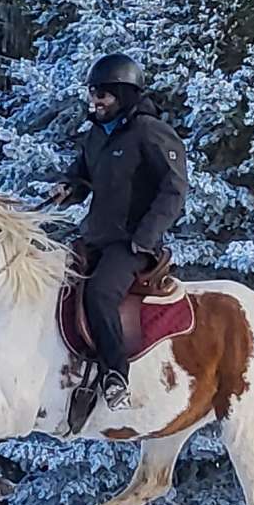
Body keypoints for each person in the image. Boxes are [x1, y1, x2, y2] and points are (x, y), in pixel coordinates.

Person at [48, 53, 189, 409]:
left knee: (99, 294)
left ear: (124, 96)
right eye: (94, 94)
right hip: (95, 235)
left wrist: (144, 239)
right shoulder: (97, 135)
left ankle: (115, 376)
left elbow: (174, 189)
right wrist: (68, 188)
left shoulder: (149, 132)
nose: (96, 102)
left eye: (104, 96)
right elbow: (81, 176)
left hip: (131, 244)